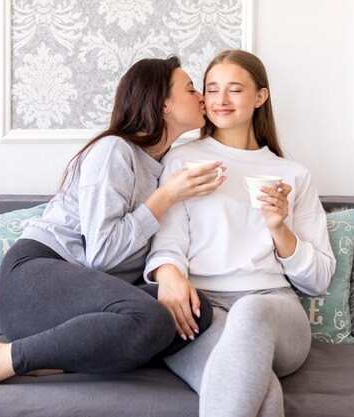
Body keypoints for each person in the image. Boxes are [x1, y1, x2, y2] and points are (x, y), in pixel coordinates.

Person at [0, 56, 225, 389]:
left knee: (195, 309)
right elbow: (103, 254)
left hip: (82, 306)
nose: (203, 96)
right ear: (163, 105)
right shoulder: (114, 151)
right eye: (191, 89)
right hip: (33, 283)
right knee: (148, 317)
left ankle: (54, 361)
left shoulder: (165, 166)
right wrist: (164, 198)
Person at [144, 50, 336, 417]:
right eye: (212, 89)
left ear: (260, 97)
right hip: (201, 310)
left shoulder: (293, 174)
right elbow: (167, 244)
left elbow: (318, 280)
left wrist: (279, 229)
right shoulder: (182, 160)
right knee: (261, 395)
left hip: (275, 309)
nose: (221, 100)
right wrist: (167, 275)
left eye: (234, 89)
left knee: (250, 311)